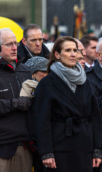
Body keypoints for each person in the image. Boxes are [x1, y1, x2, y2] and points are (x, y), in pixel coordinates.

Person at [31, 36, 102, 172]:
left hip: (85, 146)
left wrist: (97, 149)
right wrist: (46, 152)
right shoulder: (47, 84)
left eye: (75, 50)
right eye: (68, 50)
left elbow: (95, 117)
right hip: (59, 147)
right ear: (57, 55)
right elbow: (41, 120)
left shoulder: (85, 82)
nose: (72, 54)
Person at [0, 28, 32, 172]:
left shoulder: (24, 70)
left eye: (16, 44)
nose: (14, 48)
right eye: (9, 44)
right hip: (3, 146)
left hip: (24, 146)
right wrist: (15, 103)